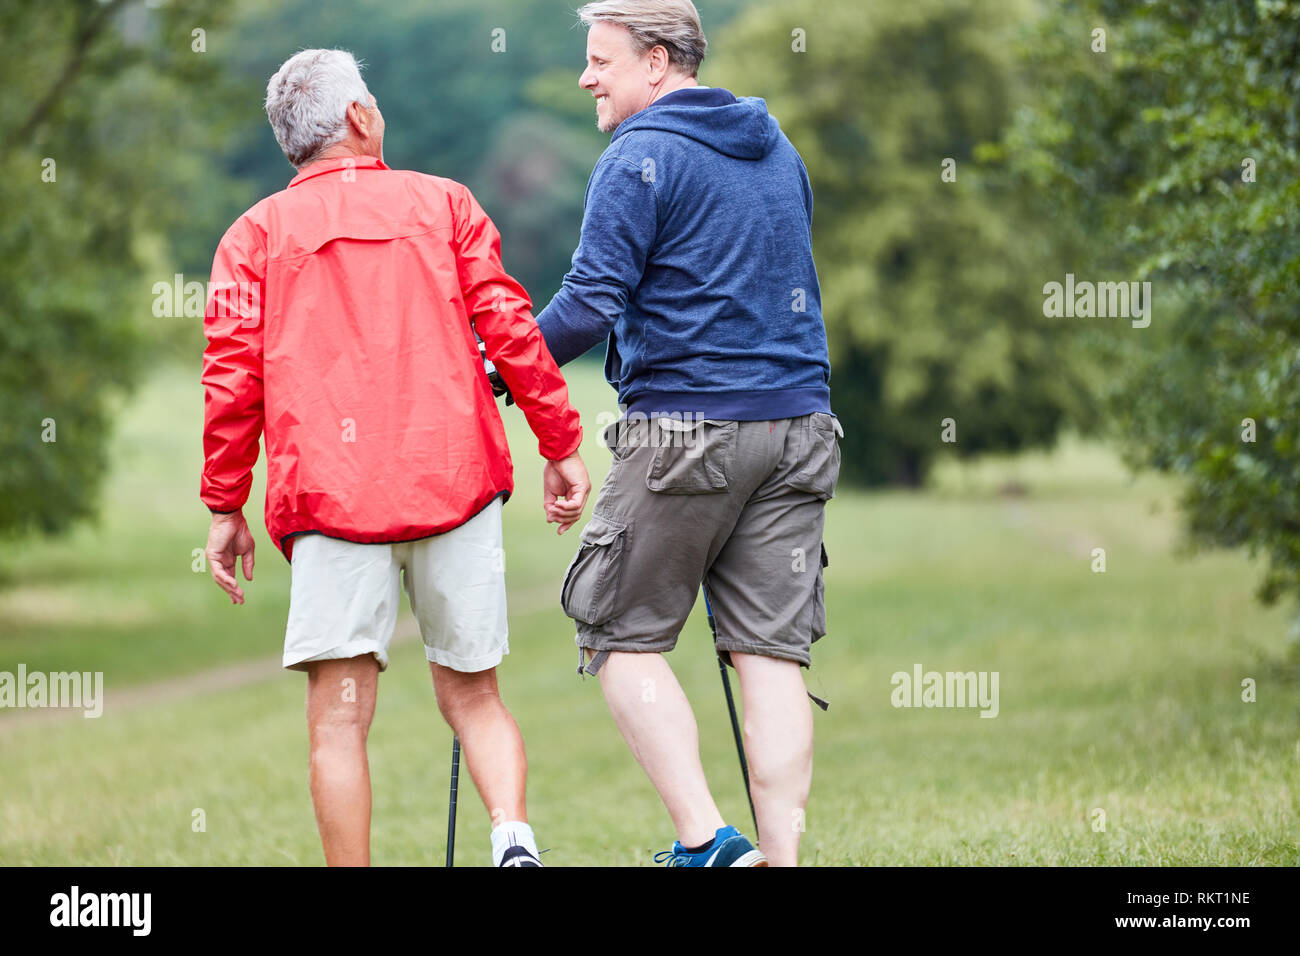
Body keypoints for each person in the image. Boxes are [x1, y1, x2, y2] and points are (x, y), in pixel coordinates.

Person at [199, 49, 590, 867]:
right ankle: (512, 838)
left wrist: (224, 504)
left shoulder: (252, 237)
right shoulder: (445, 204)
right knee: (476, 697)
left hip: (331, 508)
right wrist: (560, 443)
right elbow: (510, 330)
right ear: (361, 118)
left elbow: (231, 381)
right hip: (456, 485)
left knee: (339, 719)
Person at [536, 0, 841, 867]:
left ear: (660, 60)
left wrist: (493, 370)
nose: (587, 77)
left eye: (602, 60)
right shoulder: (777, 149)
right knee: (771, 654)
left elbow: (590, 304)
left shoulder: (638, 155)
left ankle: (708, 843)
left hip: (688, 430)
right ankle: (780, 860)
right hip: (800, 426)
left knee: (620, 634)